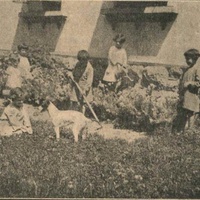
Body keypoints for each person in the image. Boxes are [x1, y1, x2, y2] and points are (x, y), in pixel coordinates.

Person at [172, 49, 200, 134]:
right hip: (185, 95)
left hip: (192, 95)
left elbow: (198, 82)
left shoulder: (196, 69)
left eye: (189, 59)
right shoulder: (187, 69)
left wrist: (190, 83)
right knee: (183, 112)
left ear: (195, 59)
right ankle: (181, 130)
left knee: (191, 112)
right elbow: (182, 81)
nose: (187, 61)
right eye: (186, 59)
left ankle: (190, 130)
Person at [67, 50, 94, 114]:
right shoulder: (77, 64)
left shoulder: (90, 68)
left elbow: (89, 81)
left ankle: (82, 117)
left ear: (87, 60)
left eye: (84, 61)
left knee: (83, 104)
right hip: (77, 86)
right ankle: (73, 117)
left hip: (85, 87)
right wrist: (70, 74)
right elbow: (71, 71)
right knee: (74, 102)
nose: (82, 62)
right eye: (80, 60)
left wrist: (85, 90)